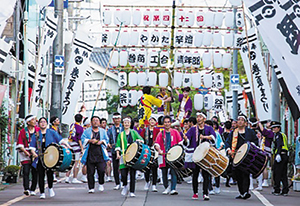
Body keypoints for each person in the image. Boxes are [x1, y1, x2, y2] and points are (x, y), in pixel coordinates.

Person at [30, 117, 67, 199]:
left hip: (50, 157)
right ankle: (42, 192)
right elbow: (32, 147)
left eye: (44, 122)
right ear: (38, 124)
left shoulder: (52, 132)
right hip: (40, 157)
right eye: (41, 122)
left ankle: (50, 188)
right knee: (41, 174)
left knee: (50, 173)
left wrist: (67, 146)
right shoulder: (36, 135)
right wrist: (33, 153)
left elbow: (60, 140)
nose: (43, 123)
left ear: (47, 124)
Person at [225, 114, 258, 200]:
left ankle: (246, 192)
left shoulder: (250, 132)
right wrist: (228, 150)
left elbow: (255, 141)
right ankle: (242, 192)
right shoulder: (233, 132)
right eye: (238, 120)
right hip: (236, 156)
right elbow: (228, 142)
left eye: (242, 120)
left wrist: (251, 146)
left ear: (245, 123)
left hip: (247, 156)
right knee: (237, 175)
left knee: (245, 174)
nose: (240, 121)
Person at [184, 112, 216, 200]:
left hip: (206, 154)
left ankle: (205, 193)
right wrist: (186, 139)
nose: (198, 118)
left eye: (200, 117)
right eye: (197, 117)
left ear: (204, 119)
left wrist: (205, 137)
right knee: (195, 174)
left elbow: (213, 137)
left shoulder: (209, 128)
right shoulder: (192, 129)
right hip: (196, 154)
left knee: (206, 174)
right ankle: (195, 192)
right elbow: (187, 140)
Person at [154, 115, 185, 195]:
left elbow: (180, 142)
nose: (167, 124)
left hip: (173, 156)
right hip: (163, 155)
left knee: (173, 171)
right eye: (165, 122)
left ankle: (173, 188)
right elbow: (156, 143)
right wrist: (159, 150)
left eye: (168, 122)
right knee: (164, 172)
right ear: (163, 123)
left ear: (171, 123)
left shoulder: (175, 132)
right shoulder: (161, 133)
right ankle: (166, 187)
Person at [115, 116, 144, 197]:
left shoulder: (134, 132)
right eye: (125, 123)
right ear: (123, 124)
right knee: (123, 174)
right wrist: (118, 154)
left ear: (130, 124)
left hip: (133, 155)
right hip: (124, 155)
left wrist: (138, 141)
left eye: (128, 123)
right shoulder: (120, 134)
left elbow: (141, 140)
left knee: (132, 174)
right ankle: (124, 185)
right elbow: (118, 145)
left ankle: (132, 191)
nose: (127, 124)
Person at [81, 116, 109, 193]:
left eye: (97, 120)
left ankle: (101, 183)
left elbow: (107, 140)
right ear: (91, 122)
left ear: (99, 122)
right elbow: (83, 139)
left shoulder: (103, 131)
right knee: (90, 172)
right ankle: (91, 187)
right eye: (94, 120)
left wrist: (102, 141)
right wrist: (89, 140)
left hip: (100, 153)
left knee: (101, 170)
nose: (95, 122)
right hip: (90, 153)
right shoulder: (87, 131)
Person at [16, 114, 39, 196]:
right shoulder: (23, 131)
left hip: (35, 153)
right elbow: (20, 144)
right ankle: (26, 188)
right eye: (33, 120)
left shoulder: (38, 130)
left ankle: (33, 189)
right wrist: (27, 153)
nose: (35, 121)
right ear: (28, 122)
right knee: (26, 171)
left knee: (35, 172)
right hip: (25, 153)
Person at [140, 116, 160, 192]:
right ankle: (147, 182)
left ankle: (154, 184)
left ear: (155, 122)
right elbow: (141, 138)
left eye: (153, 120)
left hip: (154, 150)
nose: (152, 122)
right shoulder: (145, 130)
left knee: (154, 167)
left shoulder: (157, 131)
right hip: (147, 150)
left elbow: (159, 139)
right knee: (146, 167)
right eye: (151, 120)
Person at [270, 121, 289, 196]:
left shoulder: (278, 135)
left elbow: (279, 145)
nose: (273, 129)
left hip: (280, 155)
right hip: (284, 155)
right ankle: (285, 190)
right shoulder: (282, 134)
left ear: (278, 128)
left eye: (275, 127)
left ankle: (277, 189)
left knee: (277, 173)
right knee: (283, 173)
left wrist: (277, 154)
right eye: (273, 128)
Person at [66, 114, 84, 184]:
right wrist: (82, 148)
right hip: (76, 145)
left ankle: (67, 177)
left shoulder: (72, 125)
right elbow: (79, 139)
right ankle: (74, 178)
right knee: (76, 162)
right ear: (81, 119)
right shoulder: (80, 128)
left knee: (70, 161)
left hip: (70, 144)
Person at [107, 112, 124, 190]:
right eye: (115, 119)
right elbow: (107, 139)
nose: (117, 120)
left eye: (118, 118)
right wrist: (108, 144)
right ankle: (117, 183)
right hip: (114, 149)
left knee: (123, 166)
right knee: (115, 166)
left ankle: (124, 182)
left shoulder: (123, 128)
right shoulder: (110, 130)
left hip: (123, 149)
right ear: (113, 120)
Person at [257, 120, 274, 187]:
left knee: (264, 166)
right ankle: (263, 180)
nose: (267, 123)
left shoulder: (270, 132)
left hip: (267, 150)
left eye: (269, 122)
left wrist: (259, 123)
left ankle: (265, 180)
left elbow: (263, 131)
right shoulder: (268, 131)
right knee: (263, 166)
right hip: (263, 149)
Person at [222, 121, 233, 187]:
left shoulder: (223, 134)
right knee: (230, 165)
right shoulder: (232, 134)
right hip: (232, 150)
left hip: (224, 150)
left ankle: (225, 176)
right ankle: (229, 179)